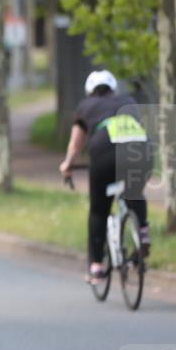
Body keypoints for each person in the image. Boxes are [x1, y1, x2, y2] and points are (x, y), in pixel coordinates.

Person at [59, 69, 152, 281]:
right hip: (140, 149)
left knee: (99, 211)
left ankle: (97, 265)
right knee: (134, 190)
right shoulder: (128, 100)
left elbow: (75, 144)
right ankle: (143, 230)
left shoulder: (85, 106)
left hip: (105, 150)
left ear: (89, 91)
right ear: (113, 89)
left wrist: (67, 165)